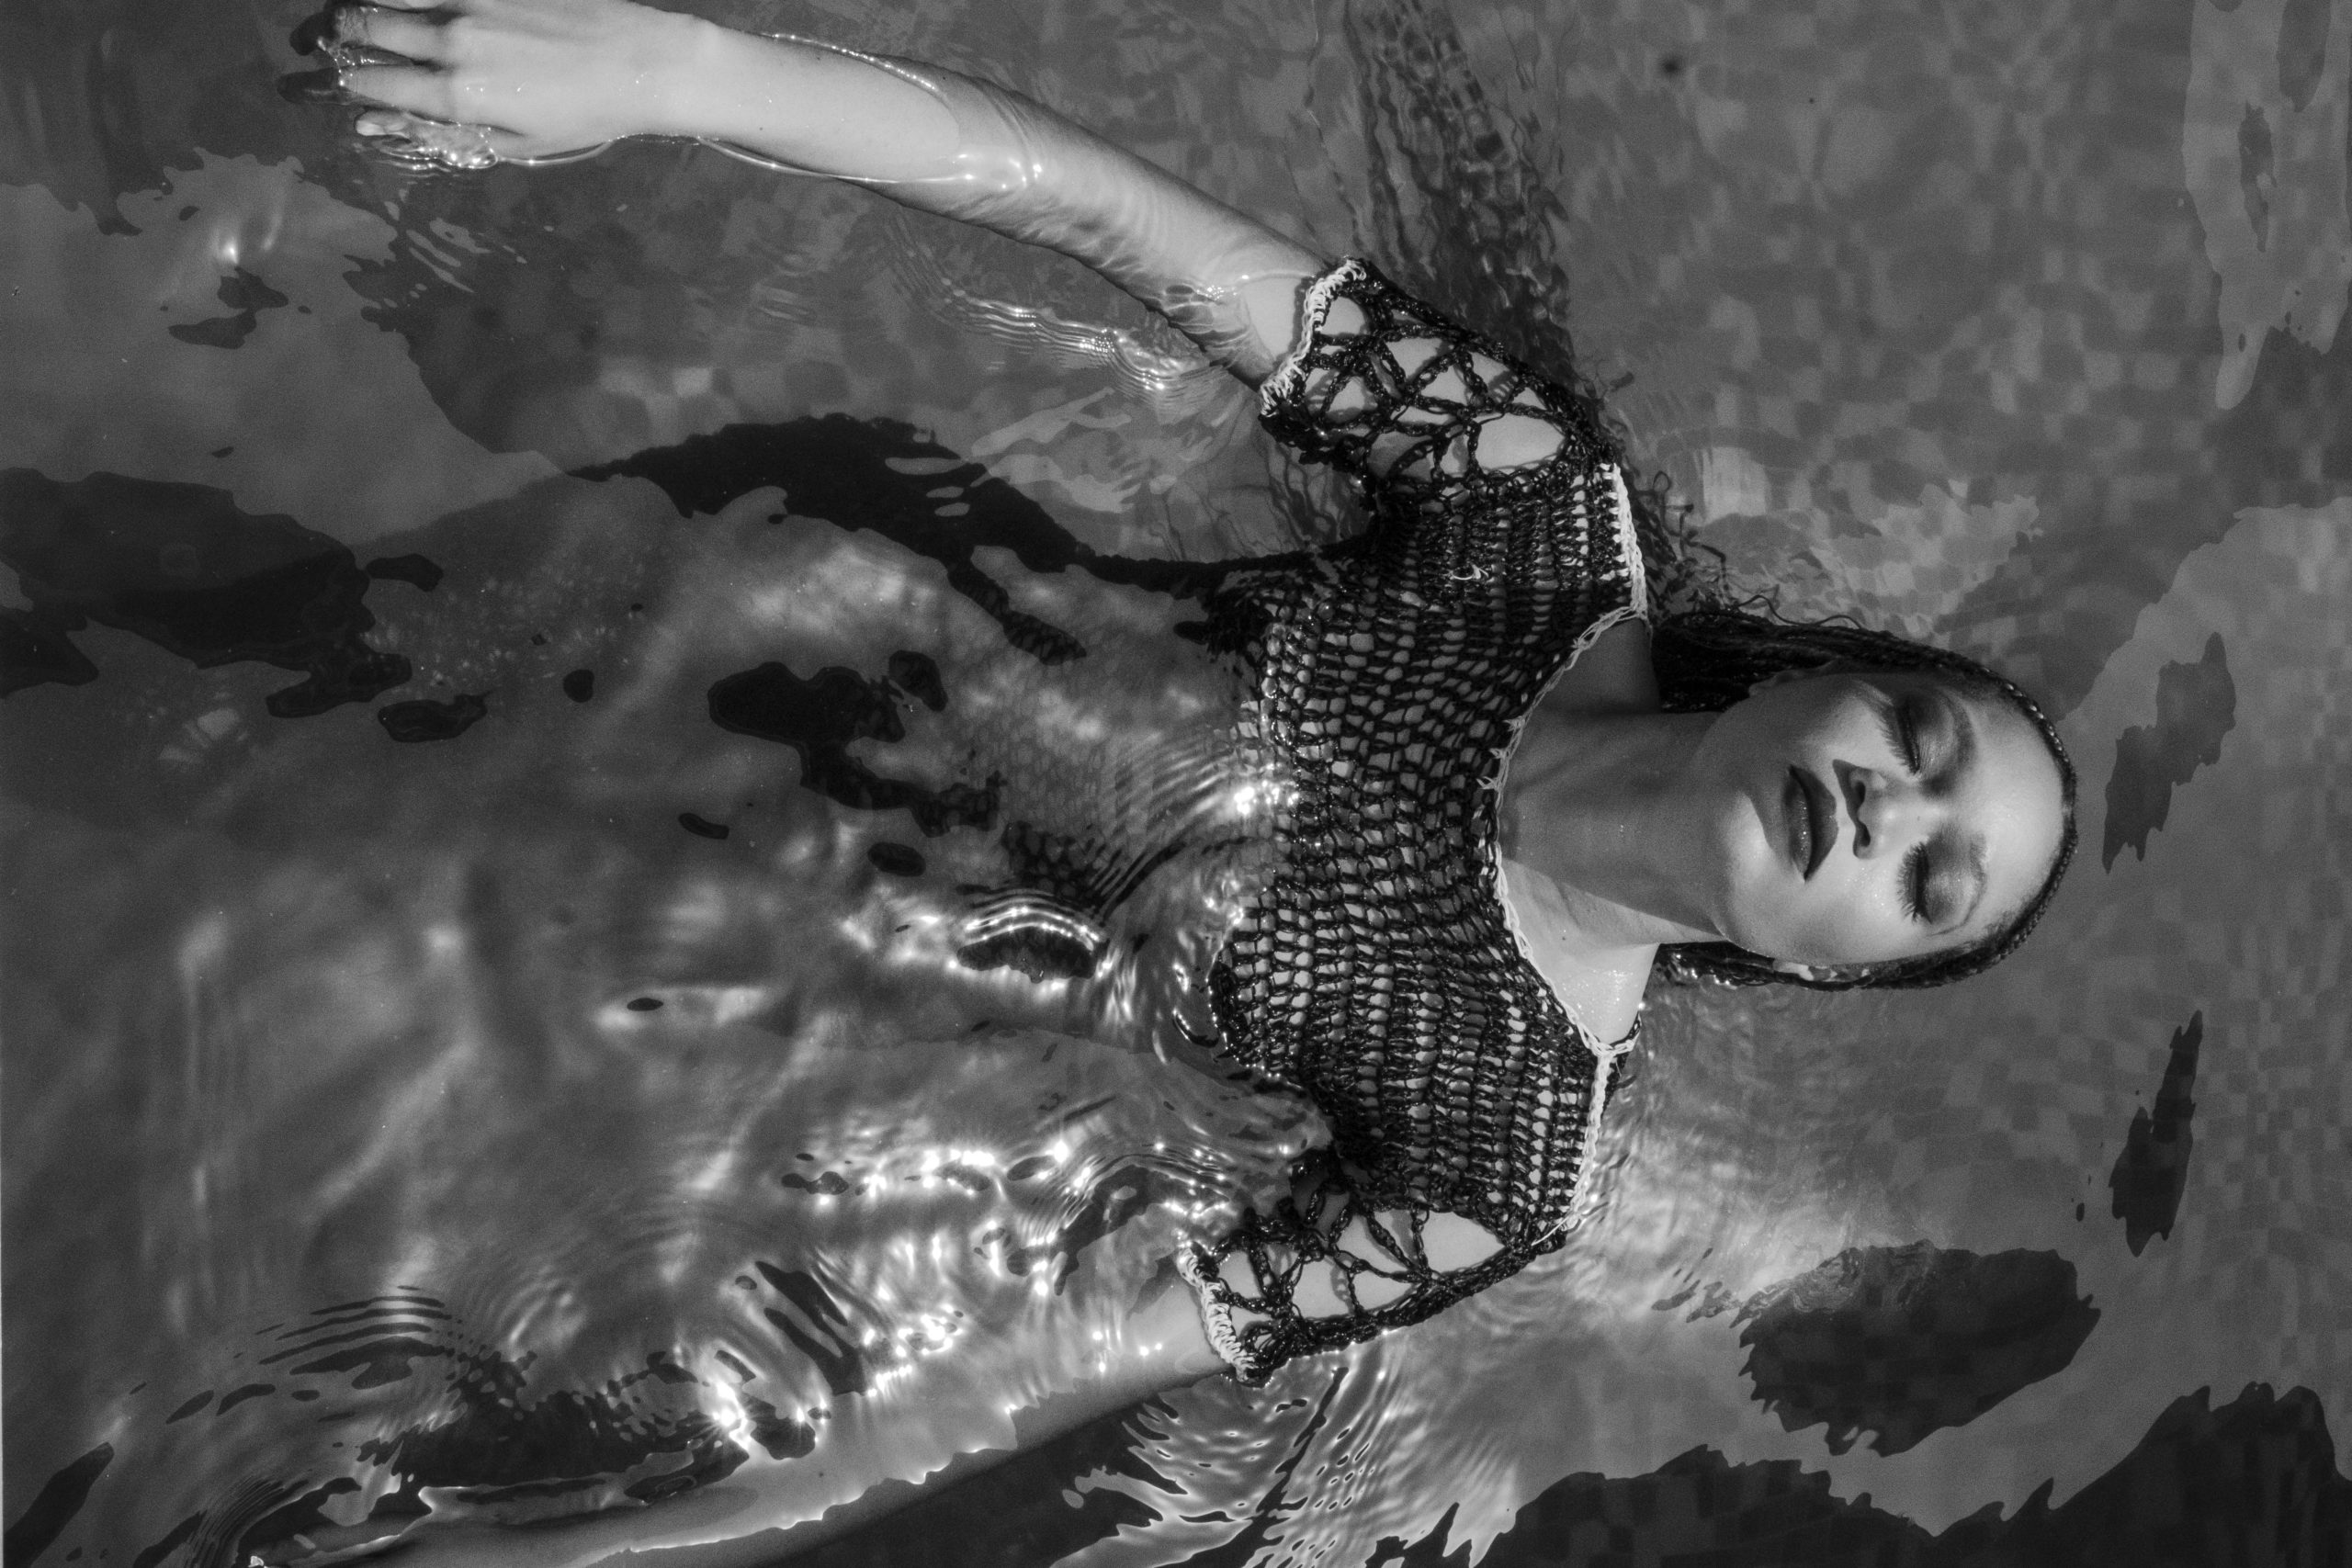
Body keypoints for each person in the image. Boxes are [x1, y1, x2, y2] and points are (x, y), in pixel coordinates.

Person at [296, 0, 2077, 1395]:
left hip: (768, 936)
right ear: (1825, 683)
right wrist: (677, 72)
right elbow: (1101, 215)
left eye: (1930, 877)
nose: (1889, 810)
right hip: (788, 591)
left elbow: (1038, 1362)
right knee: (258, 666)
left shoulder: (1496, 1162)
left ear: (1832, 967)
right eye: (1920, 744)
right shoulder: (1529, 511)